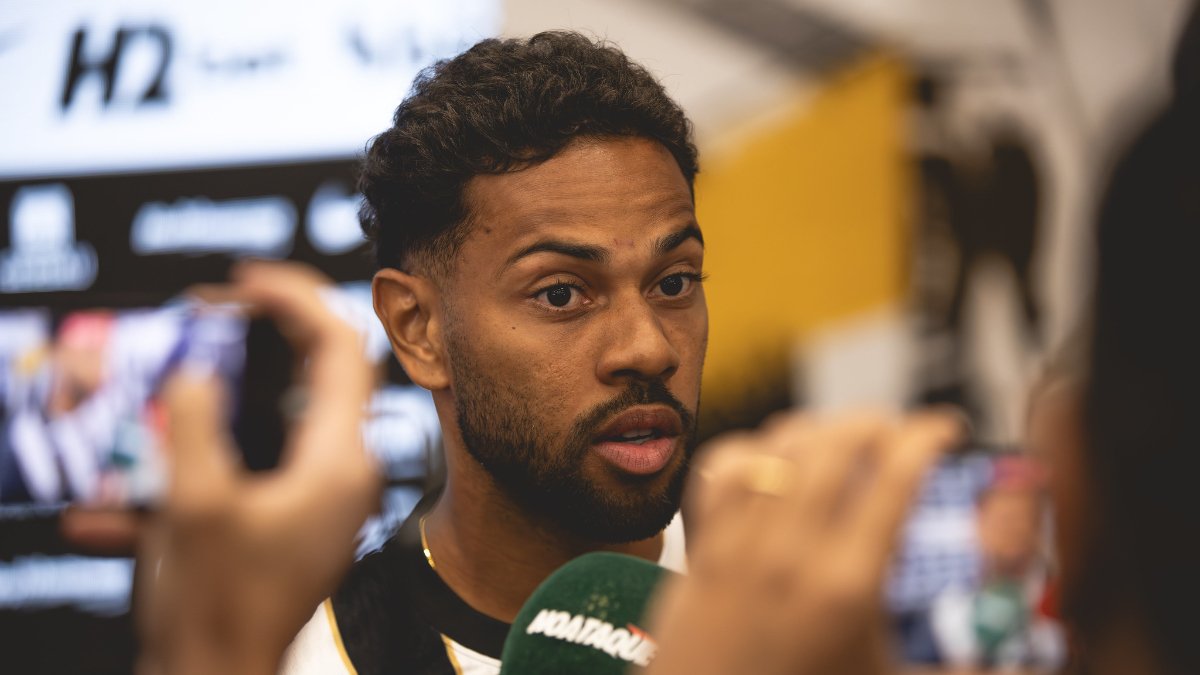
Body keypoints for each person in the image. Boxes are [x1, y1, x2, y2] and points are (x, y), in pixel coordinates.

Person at [282, 31, 704, 674]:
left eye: (674, 283)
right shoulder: (317, 662)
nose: (649, 349)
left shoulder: (821, 597)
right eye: (561, 294)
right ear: (417, 328)